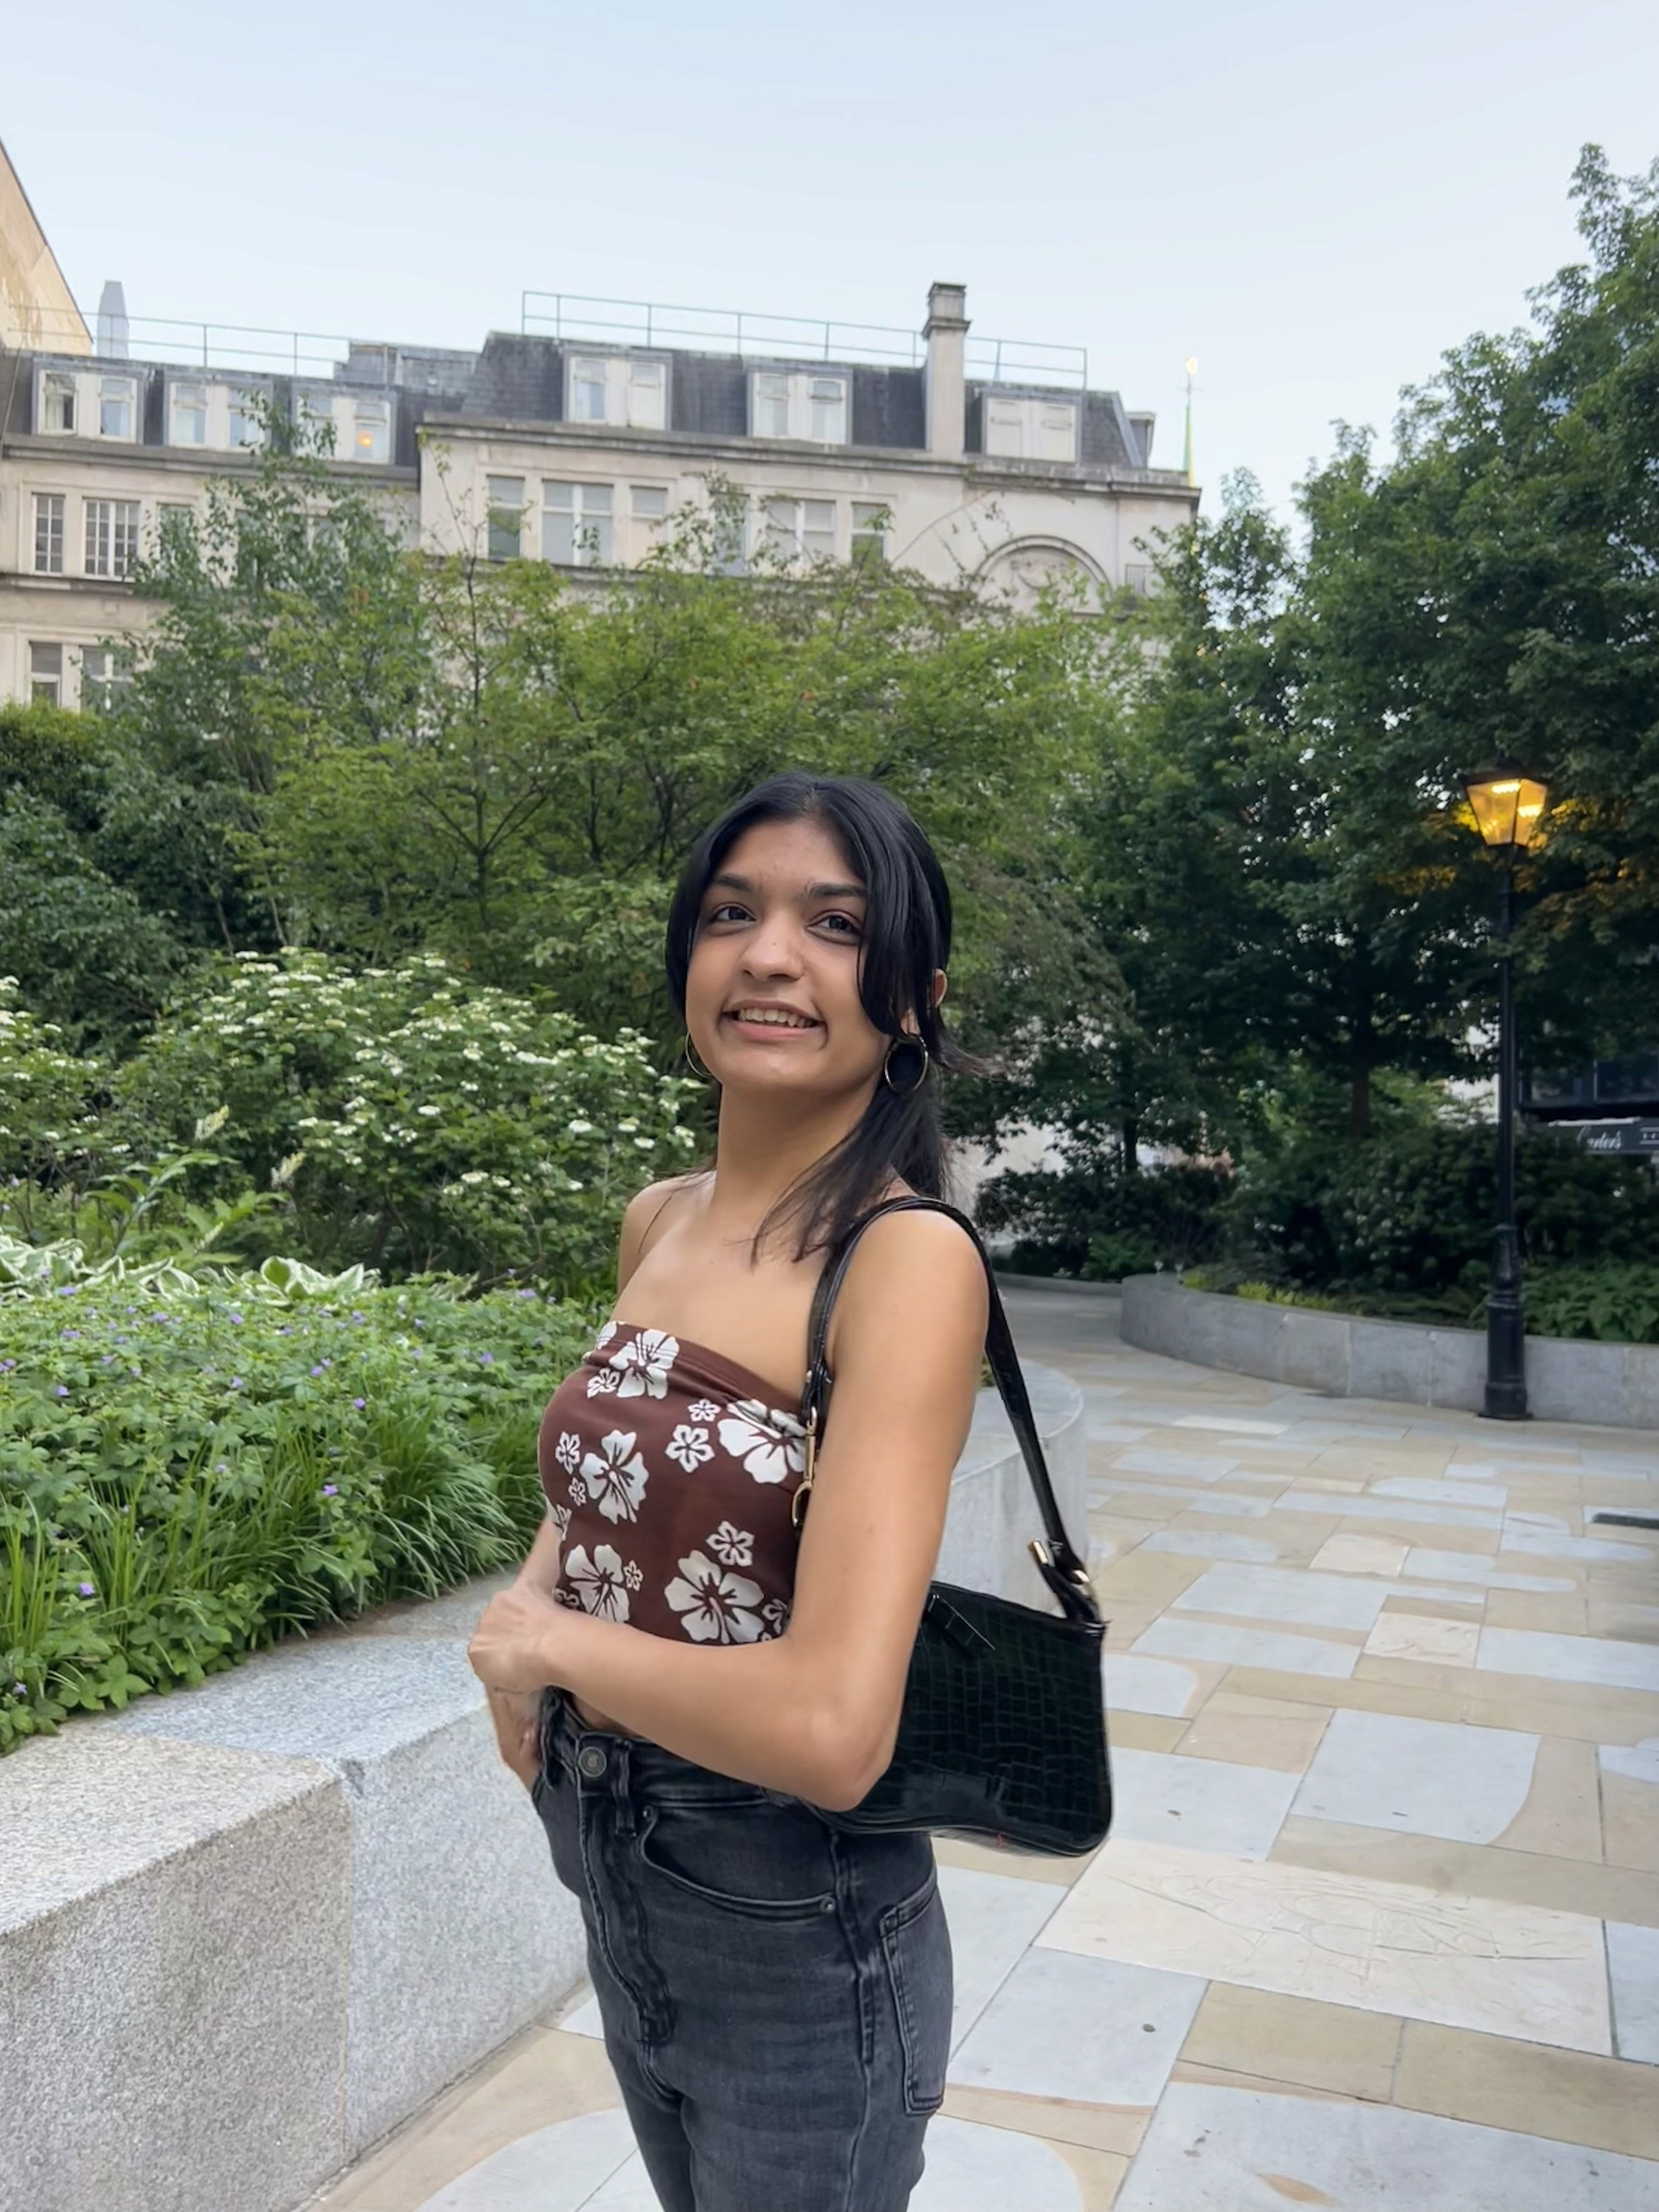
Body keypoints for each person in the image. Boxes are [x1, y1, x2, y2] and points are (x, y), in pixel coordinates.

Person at [466, 771, 989, 2212]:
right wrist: (532, 1604)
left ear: (912, 998)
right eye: (730, 914)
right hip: (615, 1855)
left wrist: (553, 1649)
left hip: (795, 1910)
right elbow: (614, 1472)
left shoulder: (902, 1261)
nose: (769, 955)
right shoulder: (662, 1218)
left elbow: (833, 1731)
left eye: (836, 925)